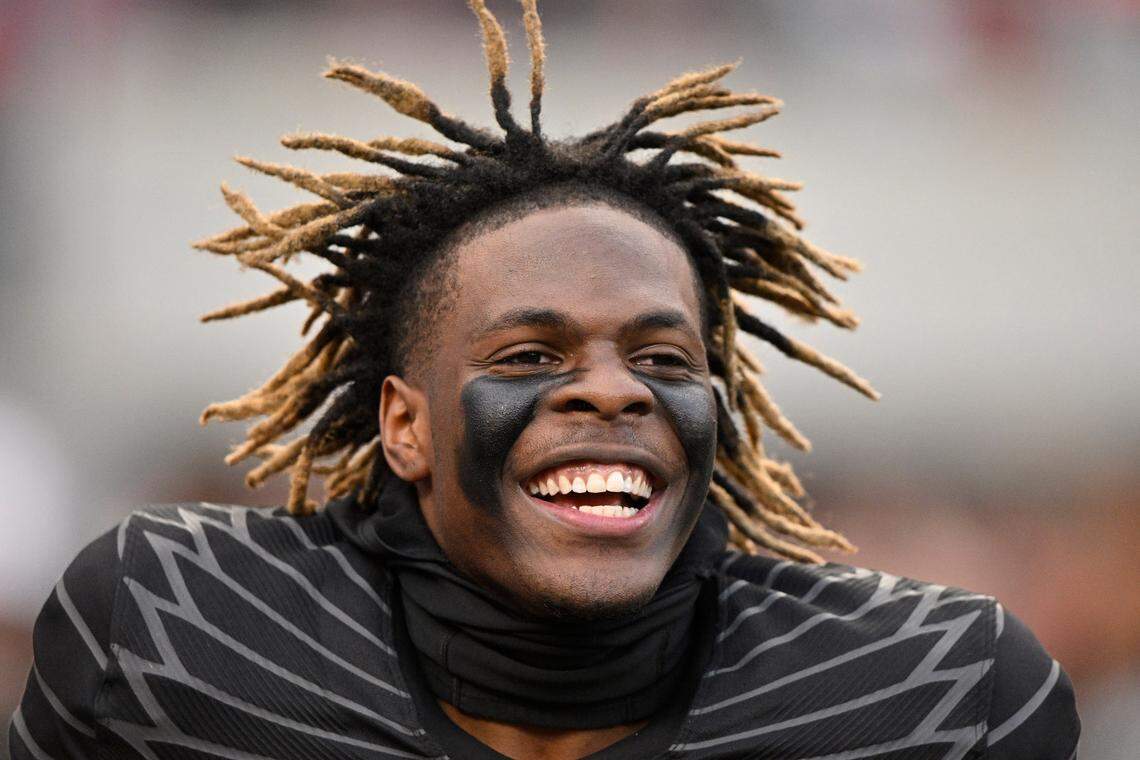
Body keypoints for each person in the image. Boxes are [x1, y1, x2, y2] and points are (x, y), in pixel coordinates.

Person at [9, 2, 1079, 758]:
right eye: (531, 356)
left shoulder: (942, 694)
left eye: (664, 359)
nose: (614, 392)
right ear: (405, 425)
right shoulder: (166, 630)